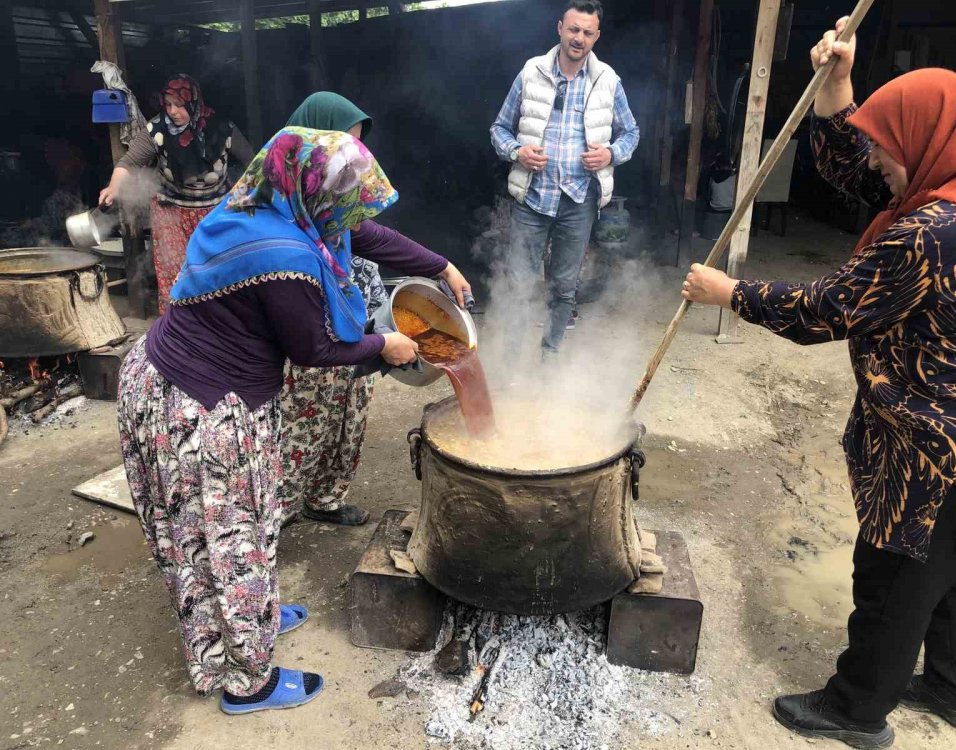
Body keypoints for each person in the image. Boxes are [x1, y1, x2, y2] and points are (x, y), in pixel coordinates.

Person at [683, 18, 956, 749]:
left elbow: (828, 310)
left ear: (927, 138)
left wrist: (730, 292)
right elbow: (856, 170)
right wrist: (838, 84)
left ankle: (857, 708)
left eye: (890, 144)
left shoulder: (930, 232)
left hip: (931, 437)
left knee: (894, 572)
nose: (880, 161)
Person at [117, 127, 472, 714]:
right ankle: (247, 681)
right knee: (231, 535)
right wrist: (385, 344)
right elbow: (317, 348)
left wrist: (441, 265)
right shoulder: (286, 257)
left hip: (165, 379)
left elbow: (365, 233)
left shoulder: (258, 203)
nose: (350, 218)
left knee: (212, 531)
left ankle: (248, 617)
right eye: (346, 204)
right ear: (317, 192)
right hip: (202, 409)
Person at [278, 92, 468, 526]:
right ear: (311, 143)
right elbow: (306, 340)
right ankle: (278, 508)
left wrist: (444, 266)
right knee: (301, 420)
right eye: (343, 144)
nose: (351, 160)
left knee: (350, 408)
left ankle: (324, 498)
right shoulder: (283, 212)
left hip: (349, 327)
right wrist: (382, 344)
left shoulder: (333, 204)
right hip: (306, 338)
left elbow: (376, 238)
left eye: (357, 148)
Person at [490, 0, 639, 360]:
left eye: (587, 32)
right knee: (520, 283)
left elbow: (631, 133)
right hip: (533, 198)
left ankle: (549, 359)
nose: (579, 38)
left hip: (579, 200)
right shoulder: (531, 72)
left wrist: (611, 154)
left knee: (565, 288)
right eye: (573, 29)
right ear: (560, 28)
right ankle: (510, 361)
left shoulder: (607, 80)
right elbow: (499, 128)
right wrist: (517, 153)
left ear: (596, 36)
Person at [99, 74, 254, 313]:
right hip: (171, 211)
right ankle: (175, 325)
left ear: (194, 103)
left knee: (216, 268)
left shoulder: (222, 127)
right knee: (174, 271)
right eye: (168, 104)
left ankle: (217, 324)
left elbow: (252, 162)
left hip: (214, 212)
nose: (172, 111)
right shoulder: (157, 129)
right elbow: (128, 162)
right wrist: (113, 186)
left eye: (179, 104)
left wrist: (247, 195)